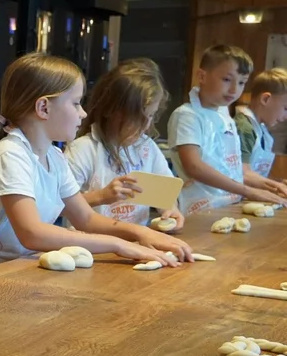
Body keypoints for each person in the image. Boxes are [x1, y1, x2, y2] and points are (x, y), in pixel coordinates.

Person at [0, 53, 190, 275]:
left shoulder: (54, 157)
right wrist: (118, 244)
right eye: (76, 103)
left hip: (12, 272)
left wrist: (141, 233)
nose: (83, 113)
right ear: (43, 107)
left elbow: (85, 219)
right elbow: (33, 233)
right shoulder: (11, 154)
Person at [65, 59, 184, 229]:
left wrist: (170, 211)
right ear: (110, 110)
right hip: (90, 247)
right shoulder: (82, 150)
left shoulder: (147, 148)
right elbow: (58, 206)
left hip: (136, 244)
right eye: (138, 117)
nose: (146, 125)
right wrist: (101, 196)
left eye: (151, 116)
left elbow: (165, 195)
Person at [167, 44, 287, 213]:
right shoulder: (187, 115)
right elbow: (194, 167)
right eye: (226, 80)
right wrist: (248, 191)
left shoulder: (224, 116)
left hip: (229, 204)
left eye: (241, 83)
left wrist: (272, 186)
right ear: (202, 76)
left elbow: (235, 169)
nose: (234, 89)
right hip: (199, 209)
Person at [233, 68, 287, 198]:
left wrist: (278, 183)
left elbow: (258, 172)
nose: (286, 115)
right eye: (286, 108)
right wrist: (275, 186)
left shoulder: (262, 130)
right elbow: (242, 173)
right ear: (265, 99)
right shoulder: (244, 127)